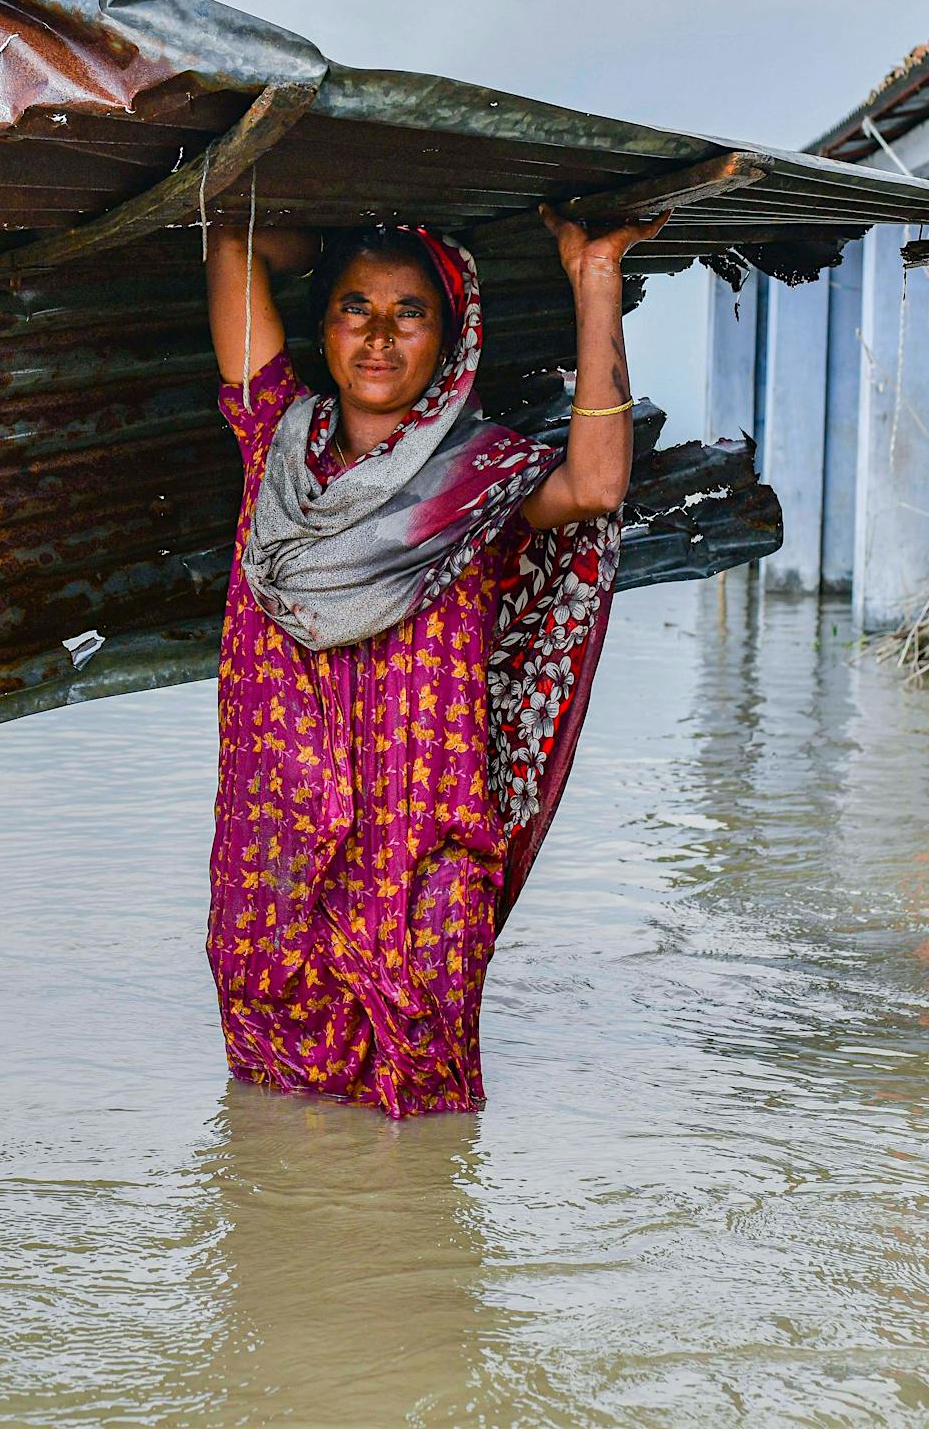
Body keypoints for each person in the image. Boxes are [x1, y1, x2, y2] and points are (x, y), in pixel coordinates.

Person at [203, 204, 664, 1117]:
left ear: (451, 337)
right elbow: (235, 242)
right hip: (277, 871)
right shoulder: (276, 451)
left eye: (409, 311)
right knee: (274, 1137)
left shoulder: (482, 482)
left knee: (427, 1139)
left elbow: (600, 485)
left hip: (426, 870)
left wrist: (596, 274)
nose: (377, 335)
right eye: (353, 307)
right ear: (322, 324)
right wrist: (353, 232)